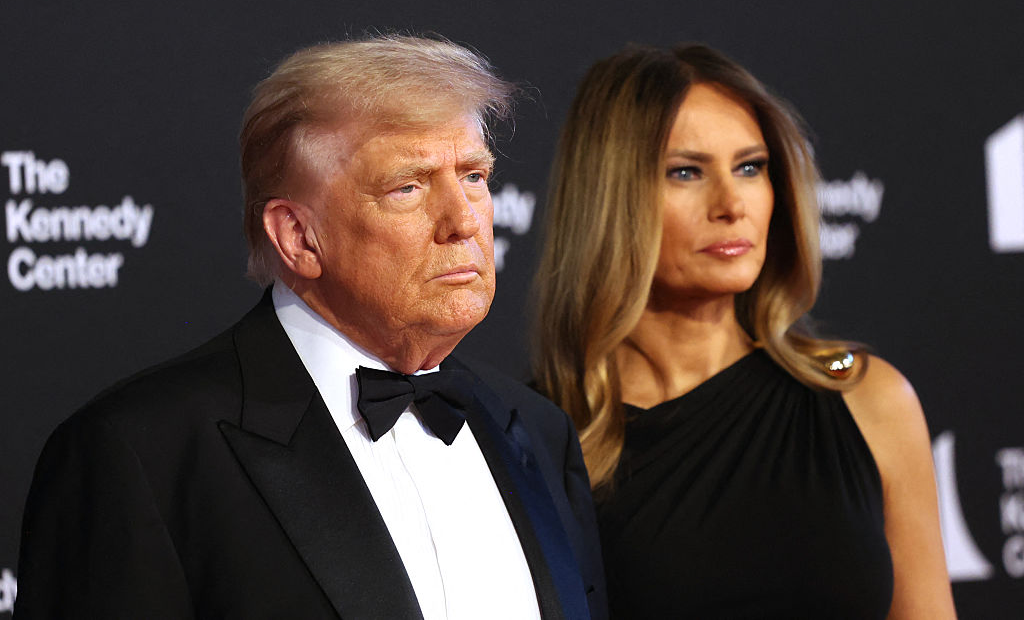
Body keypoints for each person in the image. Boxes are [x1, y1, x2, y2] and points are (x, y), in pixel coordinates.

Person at [16, 35, 607, 620]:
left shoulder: (537, 431)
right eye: (408, 186)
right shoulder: (141, 456)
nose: (463, 221)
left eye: (474, 176)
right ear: (298, 237)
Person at [532, 44, 954, 619]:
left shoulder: (867, 399)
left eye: (750, 167)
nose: (732, 204)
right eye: (686, 172)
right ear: (610, 198)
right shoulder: (541, 436)